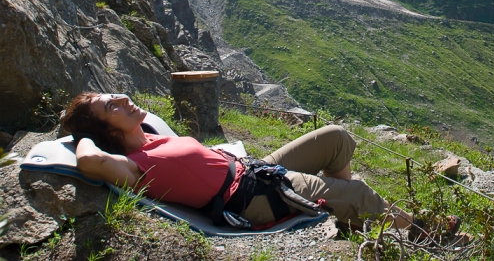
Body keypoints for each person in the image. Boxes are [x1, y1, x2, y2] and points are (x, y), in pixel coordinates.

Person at [61, 92, 422, 231]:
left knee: (335, 136)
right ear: (106, 132)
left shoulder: (150, 132)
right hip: (253, 198)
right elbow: (90, 162)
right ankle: (424, 236)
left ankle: (349, 219)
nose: (123, 98)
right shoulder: (132, 166)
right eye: (112, 106)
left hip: (253, 169)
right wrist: (85, 137)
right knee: (359, 192)